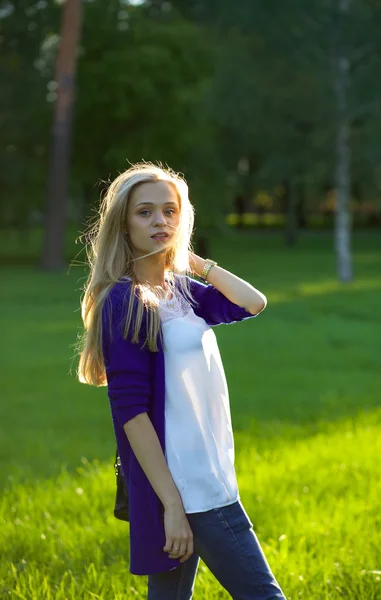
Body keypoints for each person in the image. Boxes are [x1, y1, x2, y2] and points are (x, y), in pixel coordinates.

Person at [77, 162, 286, 600]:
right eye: (145, 212)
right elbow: (131, 414)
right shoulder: (124, 300)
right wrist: (170, 504)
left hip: (207, 471)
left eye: (170, 212)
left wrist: (192, 261)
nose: (160, 221)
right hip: (190, 486)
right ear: (123, 223)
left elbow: (253, 302)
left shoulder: (181, 290)